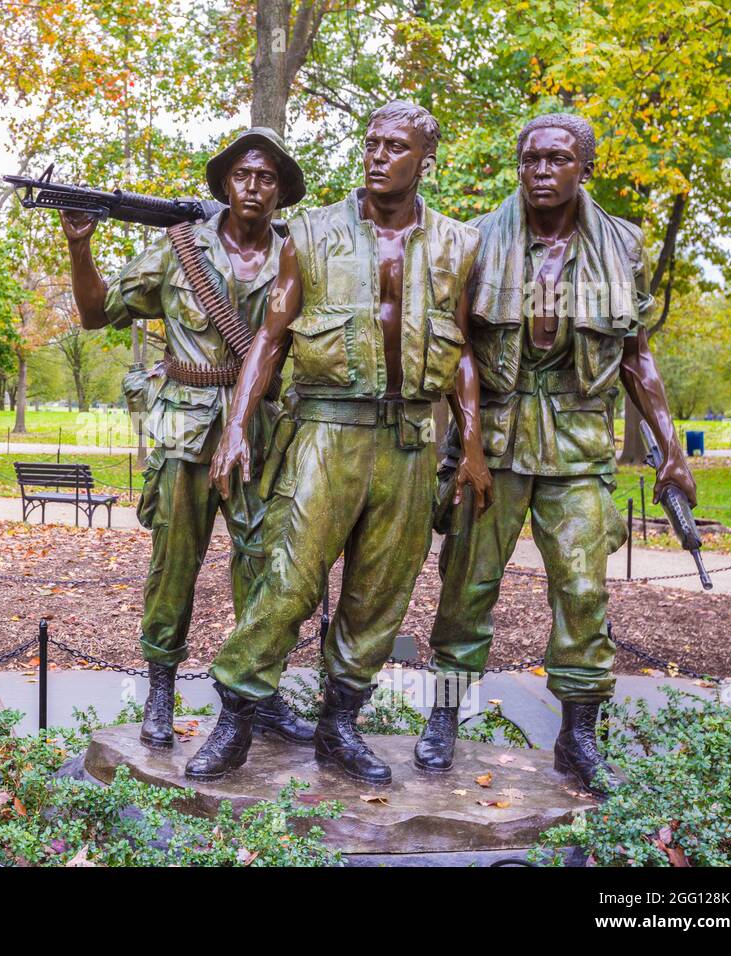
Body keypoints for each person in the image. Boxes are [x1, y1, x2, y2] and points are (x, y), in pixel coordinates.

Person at [190, 102, 492, 783]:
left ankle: (339, 727)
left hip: (410, 439)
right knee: (288, 579)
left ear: (425, 161)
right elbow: (271, 335)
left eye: (395, 146)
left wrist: (469, 442)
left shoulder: (458, 243)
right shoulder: (312, 231)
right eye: (371, 143)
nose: (377, 155)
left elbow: (464, 351)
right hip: (327, 430)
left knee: (380, 594)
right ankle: (236, 719)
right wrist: (237, 424)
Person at [418, 113, 697, 796]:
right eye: (530, 159)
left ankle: (577, 736)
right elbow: (457, 353)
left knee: (582, 591)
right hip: (498, 440)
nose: (541, 171)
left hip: (576, 444)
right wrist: (472, 447)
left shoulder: (622, 245)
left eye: (557, 160)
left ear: (585, 169)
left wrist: (670, 448)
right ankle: (445, 713)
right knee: (467, 585)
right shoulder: (476, 239)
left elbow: (637, 356)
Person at [60, 128, 315, 750]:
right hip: (184, 426)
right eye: (242, 175)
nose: (253, 187)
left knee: (264, 568)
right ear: (225, 183)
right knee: (174, 563)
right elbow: (96, 314)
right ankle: (159, 691)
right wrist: (80, 248)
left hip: (263, 428)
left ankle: (257, 691)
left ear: (281, 191)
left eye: (266, 178)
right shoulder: (180, 249)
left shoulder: (300, 252)